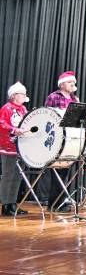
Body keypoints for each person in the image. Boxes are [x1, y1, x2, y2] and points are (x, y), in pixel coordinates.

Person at [42, 71, 81, 212]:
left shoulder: (75, 99)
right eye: (70, 82)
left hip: (71, 139)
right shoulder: (53, 97)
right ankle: (55, 203)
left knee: (65, 170)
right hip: (57, 138)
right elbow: (46, 117)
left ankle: (59, 201)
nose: (73, 85)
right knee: (57, 170)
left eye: (74, 83)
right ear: (62, 84)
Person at [0, 82, 30, 216]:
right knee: (7, 176)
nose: (24, 96)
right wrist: (14, 130)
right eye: (22, 94)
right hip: (8, 147)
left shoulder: (24, 109)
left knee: (18, 176)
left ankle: (13, 203)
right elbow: (1, 124)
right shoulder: (6, 108)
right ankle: (5, 205)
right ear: (14, 95)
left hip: (21, 148)